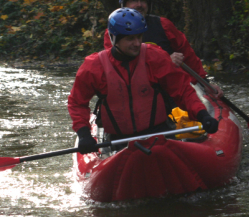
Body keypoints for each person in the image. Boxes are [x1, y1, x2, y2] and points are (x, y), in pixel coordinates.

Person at [68, 8, 219, 153]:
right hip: (119, 139)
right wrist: (83, 134)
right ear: (114, 39)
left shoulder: (156, 57)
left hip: (159, 134)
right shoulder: (93, 66)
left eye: (139, 37)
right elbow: (77, 102)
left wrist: (202, 115)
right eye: (130, 38)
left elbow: (182, 91)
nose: (137, 43)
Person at [104, 0, 222, 97]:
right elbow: (118, 66)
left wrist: (204, 82)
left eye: (143, 1)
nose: (139, 4)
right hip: (137, 89)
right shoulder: (114, 32)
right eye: (134, 1)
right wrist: (165, 62)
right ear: (124, 5)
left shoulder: (163, 25)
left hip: (168, 85)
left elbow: (188, 55)